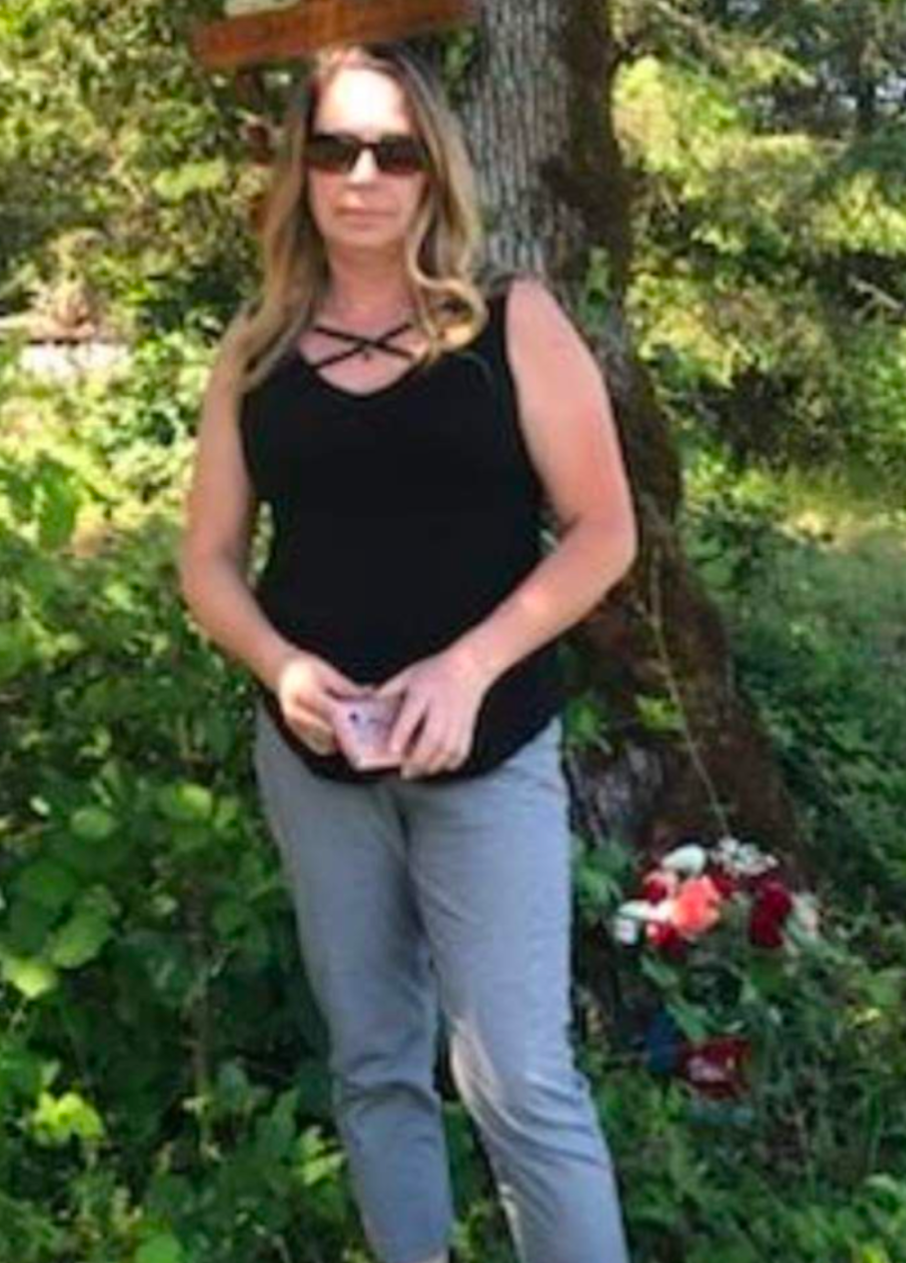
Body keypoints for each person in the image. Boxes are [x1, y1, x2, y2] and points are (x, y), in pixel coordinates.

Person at [179, 40, 637, 1263]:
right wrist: (281, 667)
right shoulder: (257, 347)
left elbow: (604, 532)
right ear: (300, 167)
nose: (363, 177)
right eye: (335, 148)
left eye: (394, 151)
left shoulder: (512, 321)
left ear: (435, 168)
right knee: (377, 1063)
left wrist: (468, 668)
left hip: (489, 755)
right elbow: (208, 561)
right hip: (318, 764)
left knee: (520, 1081)